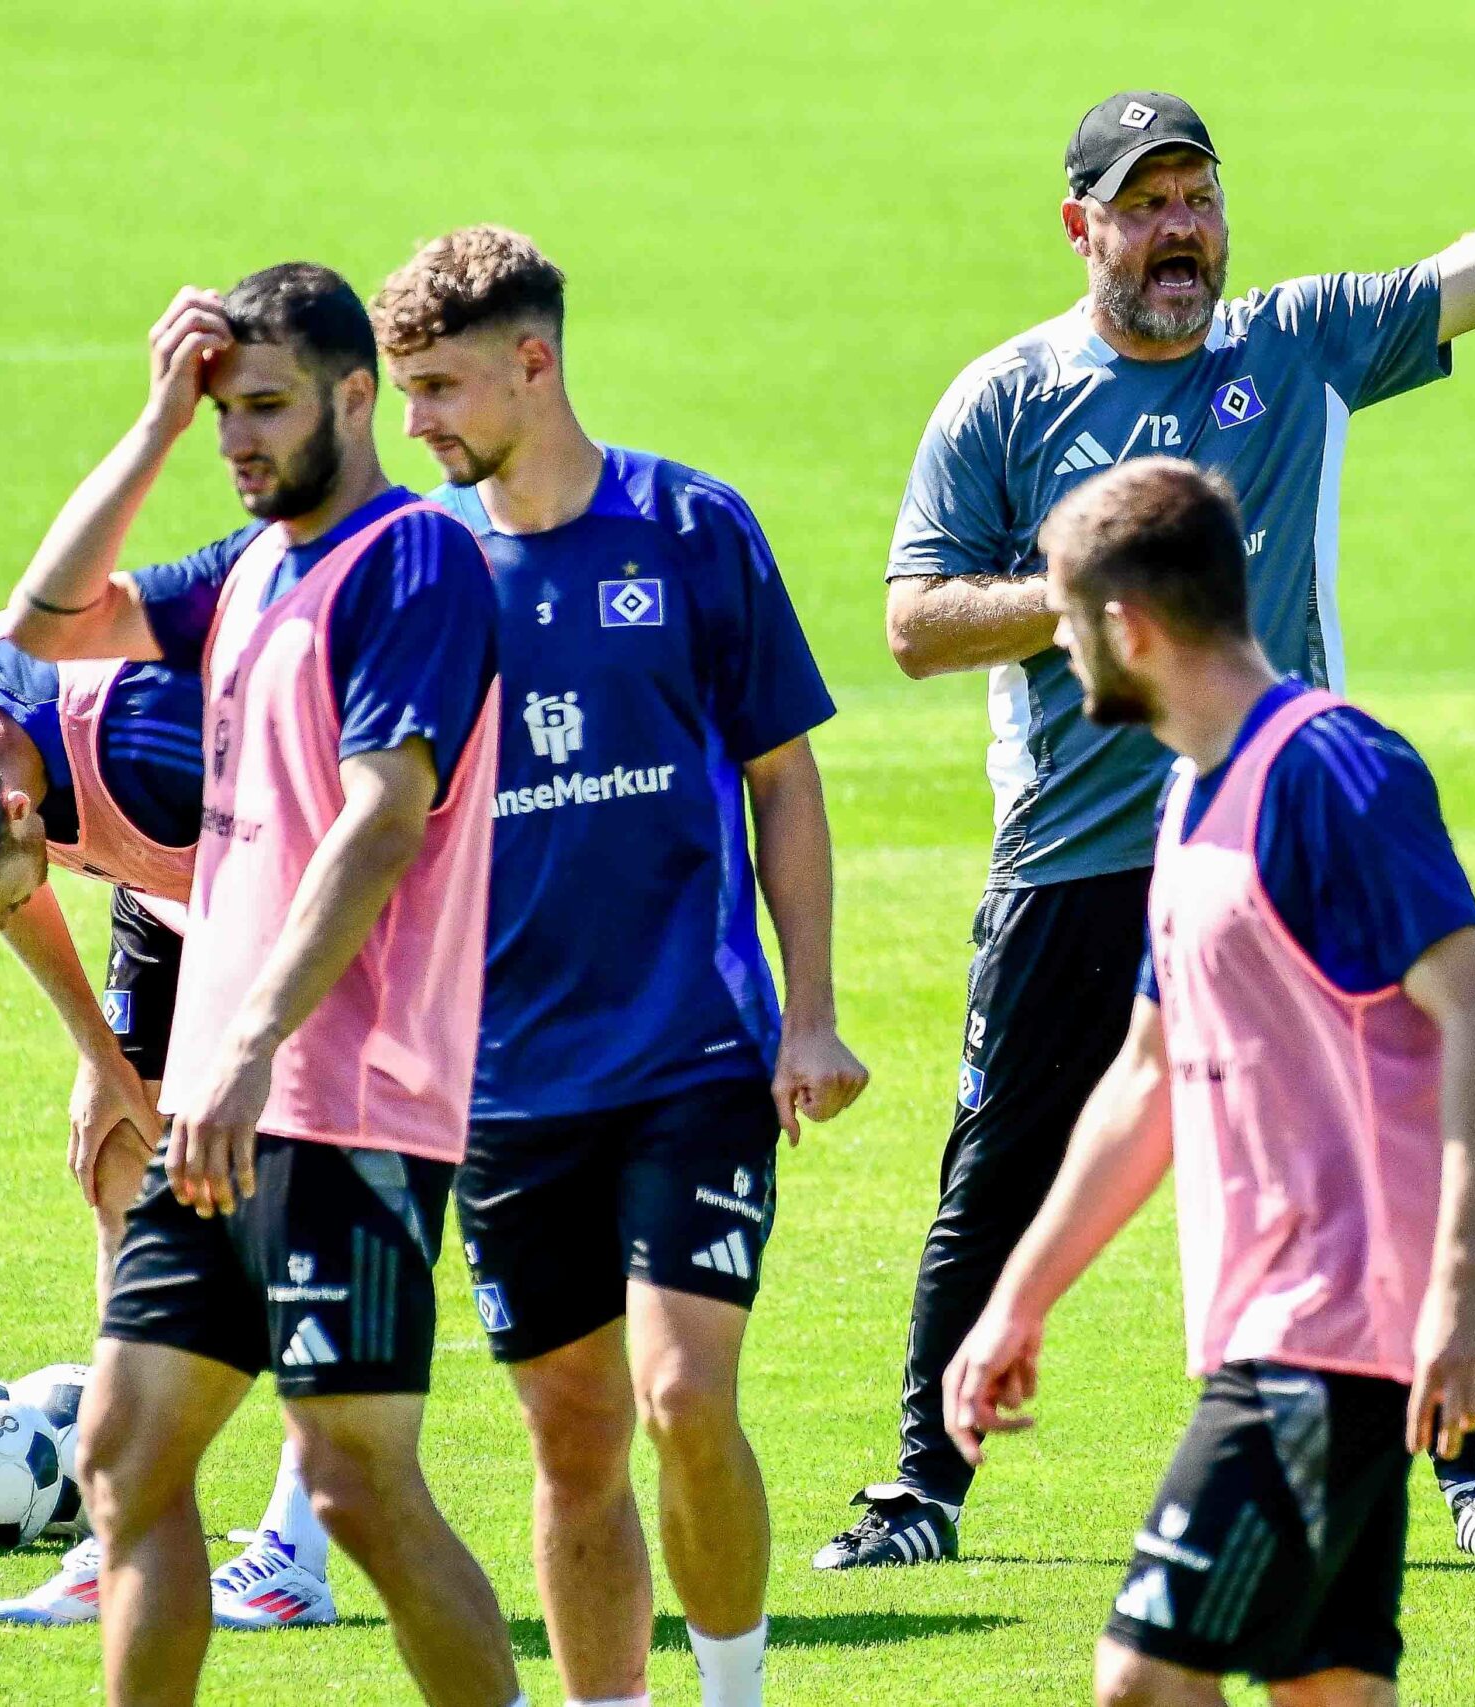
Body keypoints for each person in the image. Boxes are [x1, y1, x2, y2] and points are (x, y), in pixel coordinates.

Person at [831, 71, 1475, 1568]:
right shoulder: (1005, 398)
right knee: (1003, 1163)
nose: (1180, 231)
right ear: (1080, 227)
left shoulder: (1294, 344)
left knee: (1377, 1150)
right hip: (1075, 850)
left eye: (1198, 198)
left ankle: (1473, 1465)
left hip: (1279, 838)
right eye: (1146, 207)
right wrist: (1099, 595)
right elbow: (913, 623)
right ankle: (924, 1485)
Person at [1, 262, 523, 1707]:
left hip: (342, 1100)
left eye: (266, 408)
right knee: (126, 1457)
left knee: (357, 1483)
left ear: (357, 398)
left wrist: (235, 1049)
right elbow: (45, 622)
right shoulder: (249, 570)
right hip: (224, 1109)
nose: (241, 436)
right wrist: (158, 421)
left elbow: (381, 817)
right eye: (227, 409)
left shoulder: (415, 559)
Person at [371, 226, 868, 1707]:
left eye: (442, 387)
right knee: (573, 1438)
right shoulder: (420, 568)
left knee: (680, 1395)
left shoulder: (695, 528)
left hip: (694, 1053)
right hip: (503, 1078)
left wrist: (816, 1013)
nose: (418, 425)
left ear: (536, 361)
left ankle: (734, 1693)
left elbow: (782, 777)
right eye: (404, 393)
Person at [945, 459, 1475, 1706]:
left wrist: (1463, 1290)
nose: (1055, 644)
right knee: (1326, 1691)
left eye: (1063, 617)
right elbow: (1148, 1077)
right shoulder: (1187, 789)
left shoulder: (1332, 773)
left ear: (1130, 627)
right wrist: (1019, 1301)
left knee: (1142, 1680)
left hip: (1331, 1333)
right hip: (1275, 1324)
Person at [0, 639, 351, 1631]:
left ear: (17, 808)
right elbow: (14, 893)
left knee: (310, 1181)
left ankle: (296, 1555)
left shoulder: (158, 746)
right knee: (122, 1154)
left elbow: (334, 871)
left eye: (7, 883)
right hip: (171, 886)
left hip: (314, 881)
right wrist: (105, 1059)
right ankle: (133, 1529)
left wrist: (252, 1062)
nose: (7, 910)